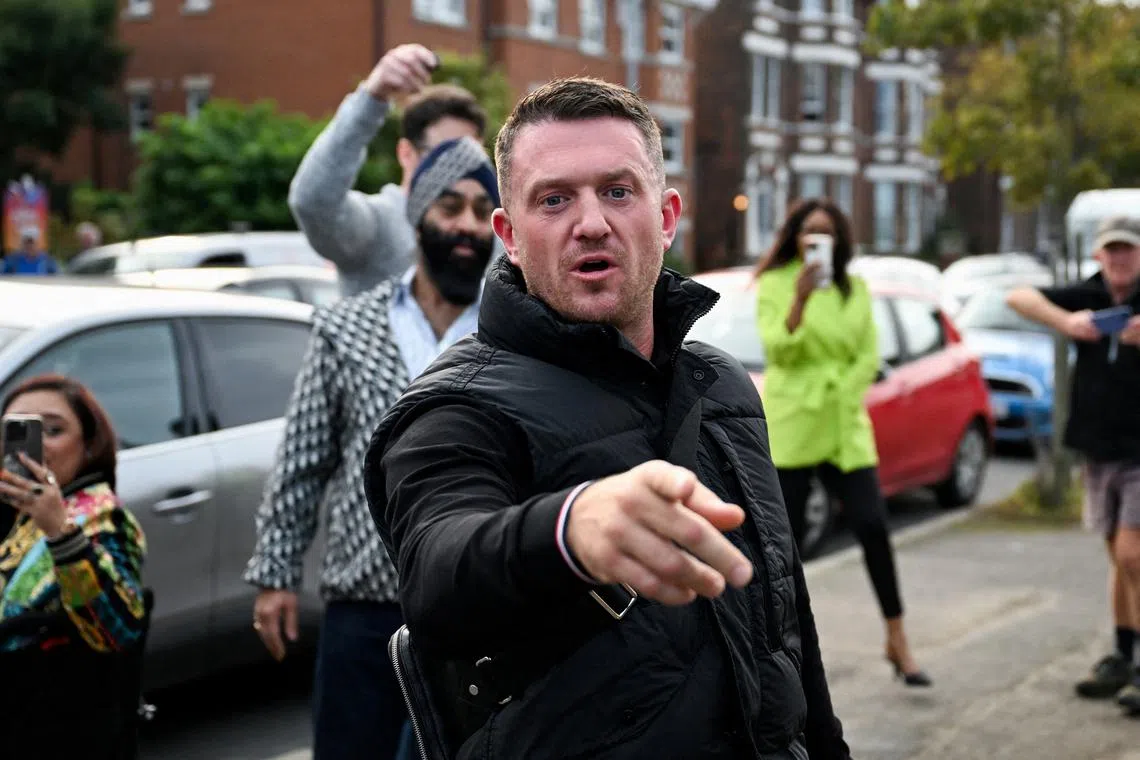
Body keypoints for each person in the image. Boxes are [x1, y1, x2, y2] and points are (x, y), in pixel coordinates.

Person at [365, 77, 849, 760]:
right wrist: (568, 529)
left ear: (666, 216)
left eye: (618, 192)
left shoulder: (725, 386)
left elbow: (786, 619)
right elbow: (438, 574)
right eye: (554, 199)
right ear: (508, 233)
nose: (590, 222)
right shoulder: (455, 407)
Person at [245, 135, 500, 760]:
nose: (465, 226)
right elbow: (303, 463)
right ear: (417, 218)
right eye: (449, 207)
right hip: (363, 609)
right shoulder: (348, 327)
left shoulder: (509, 333)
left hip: (476, 608)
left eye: (478, 209)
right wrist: (275, 575)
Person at [753, 198, 931, 687]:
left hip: (844, 419)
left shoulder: (856, 290)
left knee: (873, 525)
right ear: (794, 238)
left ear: (839, 241)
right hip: (796, 418)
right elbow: (778, 350)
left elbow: (868, 354)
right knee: (783, 545)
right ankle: (777, 652)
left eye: (825, 235)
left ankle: (897, 638)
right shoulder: (775, 283)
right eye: (808, 234)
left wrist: (845, 393)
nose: (816, 243)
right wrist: (800, 300)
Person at [1007, 215, 1140, 714]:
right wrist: (1068, 324)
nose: (1120, 259)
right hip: (1098, 445)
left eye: (1128, 249)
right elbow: (1018, 296)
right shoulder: (1090, 294)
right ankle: (1122, 657)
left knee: (1133, 555)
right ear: (1100, 255)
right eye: (1112, 250)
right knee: (1118, 558)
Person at [0, 374, 147, 757]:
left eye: (53, 429)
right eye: (18, 430)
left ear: (88, 445)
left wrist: (59, 529)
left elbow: (118, 630)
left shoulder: (100, 518)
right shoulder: (12, 515)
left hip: (58, 728)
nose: (36, 446)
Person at [289, 43, 488, 298]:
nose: (459, 170)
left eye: (470, 157)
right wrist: (372, 97)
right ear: (406, 154)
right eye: (444, 154)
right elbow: (313, 201)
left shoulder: (486, 234)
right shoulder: (378, 224)